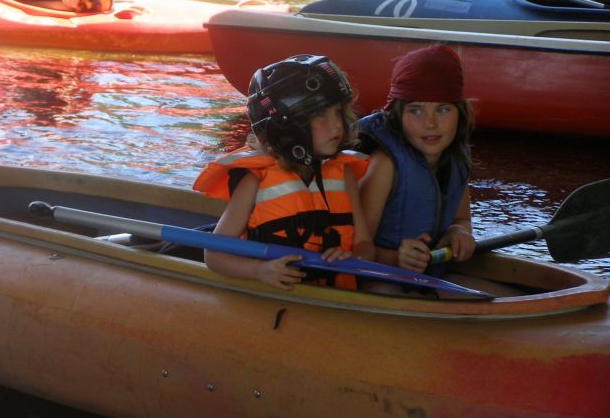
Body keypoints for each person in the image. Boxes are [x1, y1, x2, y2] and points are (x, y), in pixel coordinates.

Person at [193, 54, 374, 291]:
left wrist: (354, 258)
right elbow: (214, 255)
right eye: (320, 115)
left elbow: (364, 244)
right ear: (286, 126)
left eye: (337, 111)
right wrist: (259, 270)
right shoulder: (255, 180)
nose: (337, 124)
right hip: (273, 296)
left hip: (332, 296)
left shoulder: (343, 174)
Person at [357, 44, 476, 281]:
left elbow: (461, 218)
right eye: (416, 111)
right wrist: (396, 259)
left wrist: (458, 231)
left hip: (430, 278)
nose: (430, 124)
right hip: (379, 280)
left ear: (460, 112)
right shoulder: (385, 165)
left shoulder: (456, 159)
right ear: (397, 115)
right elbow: (356, 248)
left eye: (442, 110)